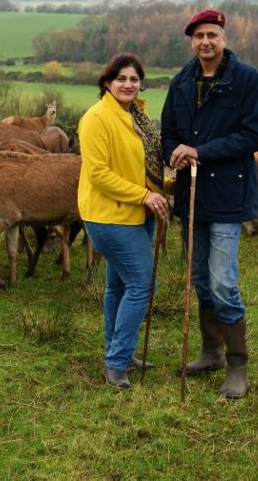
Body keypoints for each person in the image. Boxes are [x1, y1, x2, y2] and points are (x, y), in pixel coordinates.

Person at [161, 9, 258, 400]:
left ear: (224, 38)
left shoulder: (247, 80)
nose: (206, 41)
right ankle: (211, 352)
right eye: (199, 35)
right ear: (192, 40)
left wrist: (199, 151)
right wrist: (174, 152)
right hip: (191, 197)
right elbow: (169, 133)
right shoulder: (181, 83)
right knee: (201, 279)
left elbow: (254, 135)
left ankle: (238, 364)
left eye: (213, 35)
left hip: (228, 194)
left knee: (223, 282)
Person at [77, 53, 170, 390]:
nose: (129, 84)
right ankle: (116, 363)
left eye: (134, 79)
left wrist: (162, 186)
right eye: (122, 79)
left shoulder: (138, 116)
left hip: (138, 214)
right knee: (144, 285)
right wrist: (144, 195)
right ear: (107, 83)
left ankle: (118, 353)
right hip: (109, 215)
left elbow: (146, 162)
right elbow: (98, 173)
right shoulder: (97, 118)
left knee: (119, 286)